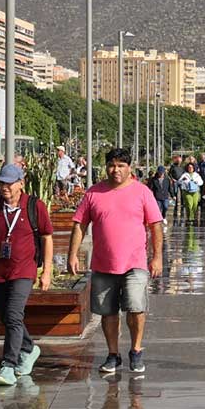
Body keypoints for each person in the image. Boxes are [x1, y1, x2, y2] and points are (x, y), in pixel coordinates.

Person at [68, 148, 164, 374]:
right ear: (106, 167)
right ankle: (113, 354)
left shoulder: (142, 192)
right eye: (112, 165)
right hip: (103, 264)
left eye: (121, 165)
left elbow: (156, 225)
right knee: (108, 312)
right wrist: (73, 254)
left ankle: (136, 350)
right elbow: (79, 224)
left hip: (135, 263)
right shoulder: (94, 193)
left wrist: (157, 257)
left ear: (129, 167)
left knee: (136, 307)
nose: (116, 170)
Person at [0, 164, 54, 385]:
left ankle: (8, 365)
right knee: (7, 317)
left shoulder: (35, 206)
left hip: (24, 270)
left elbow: (47, 238)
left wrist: (47, 270)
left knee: (14, 315)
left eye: (9, 182)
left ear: (21, 183)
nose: (4, 187)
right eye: (1, 183)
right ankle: (29, 348)